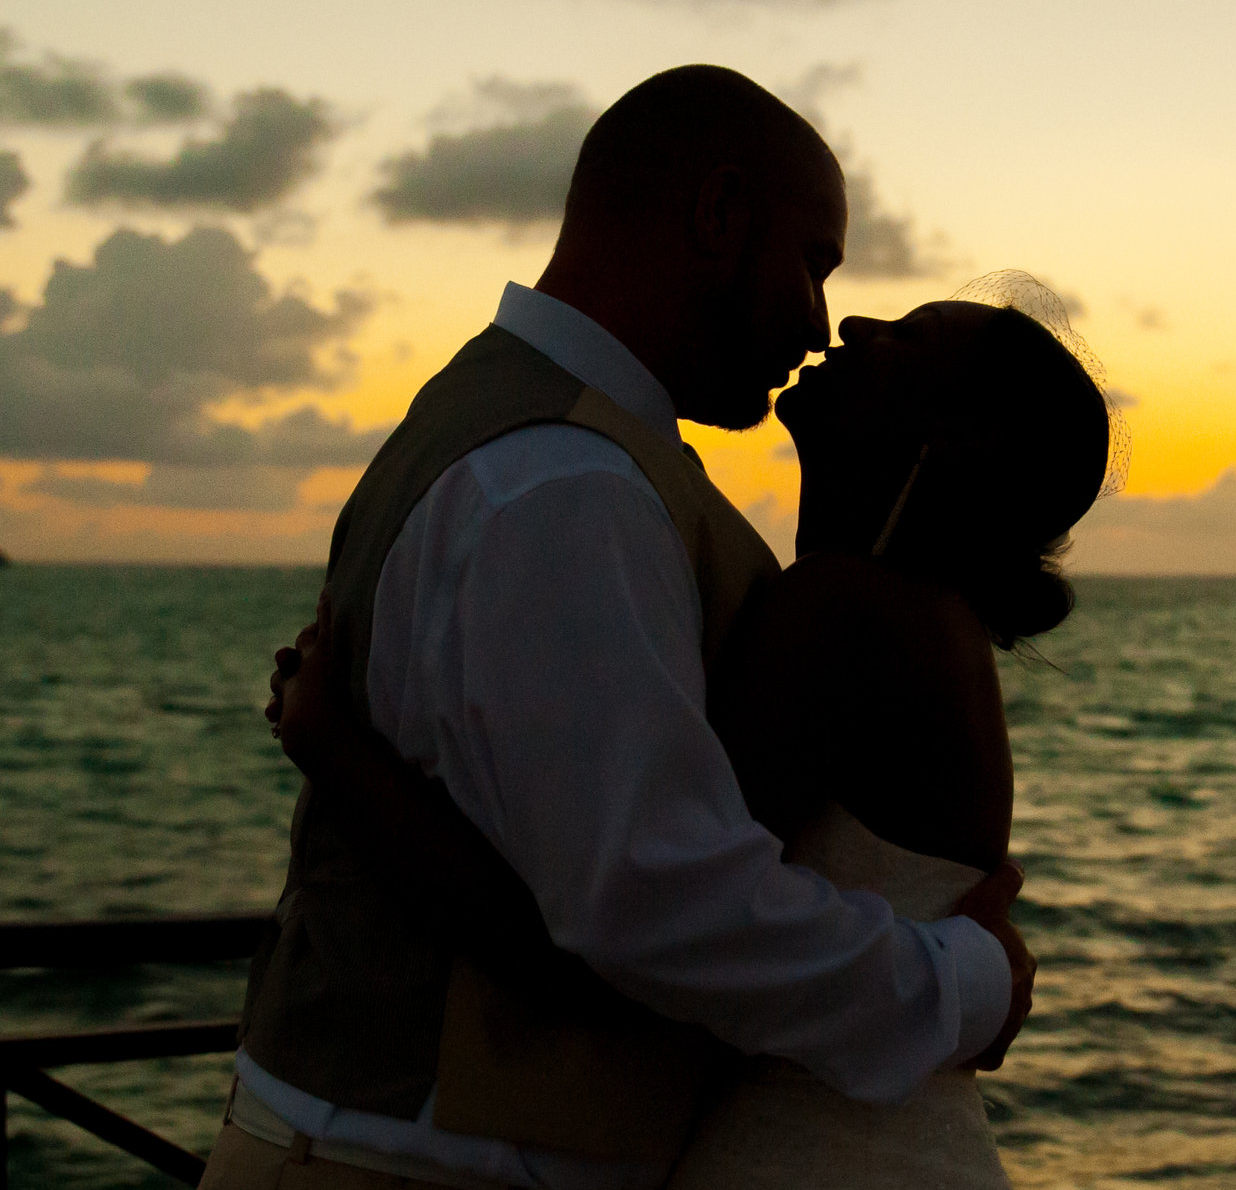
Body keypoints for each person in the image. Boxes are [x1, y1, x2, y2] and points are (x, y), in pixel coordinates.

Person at [209, 66, 1038, 1190]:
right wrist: (967, 984)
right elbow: (652, 900)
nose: (821, 318)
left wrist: (336, 754)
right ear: (717, 215)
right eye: (813, 261)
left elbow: (609, 889)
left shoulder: (515, 432)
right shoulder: (568, 483)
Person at [267, 276, 1118, 1188]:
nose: (860, 321)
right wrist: (978, 983)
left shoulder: (847, 611)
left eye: (908, 339)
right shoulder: (916, 622)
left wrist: (340, 753)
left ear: (950, 438)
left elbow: (621, 936)